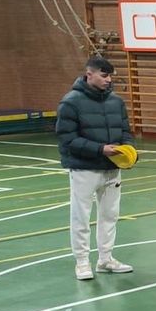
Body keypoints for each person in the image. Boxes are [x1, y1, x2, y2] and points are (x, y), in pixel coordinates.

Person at [56, 54, 136, 280]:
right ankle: (82, 262)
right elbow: (67, 139)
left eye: (110, 75)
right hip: (84, 169)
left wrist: (128, 151)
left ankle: (105, 259)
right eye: (104, 75)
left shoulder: (116, 102)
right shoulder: (70, 102)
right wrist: (100, 149)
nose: (108, 80)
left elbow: (125, 132)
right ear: (89, 74)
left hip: (112, 168)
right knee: (80, 216)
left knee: (110, 214)